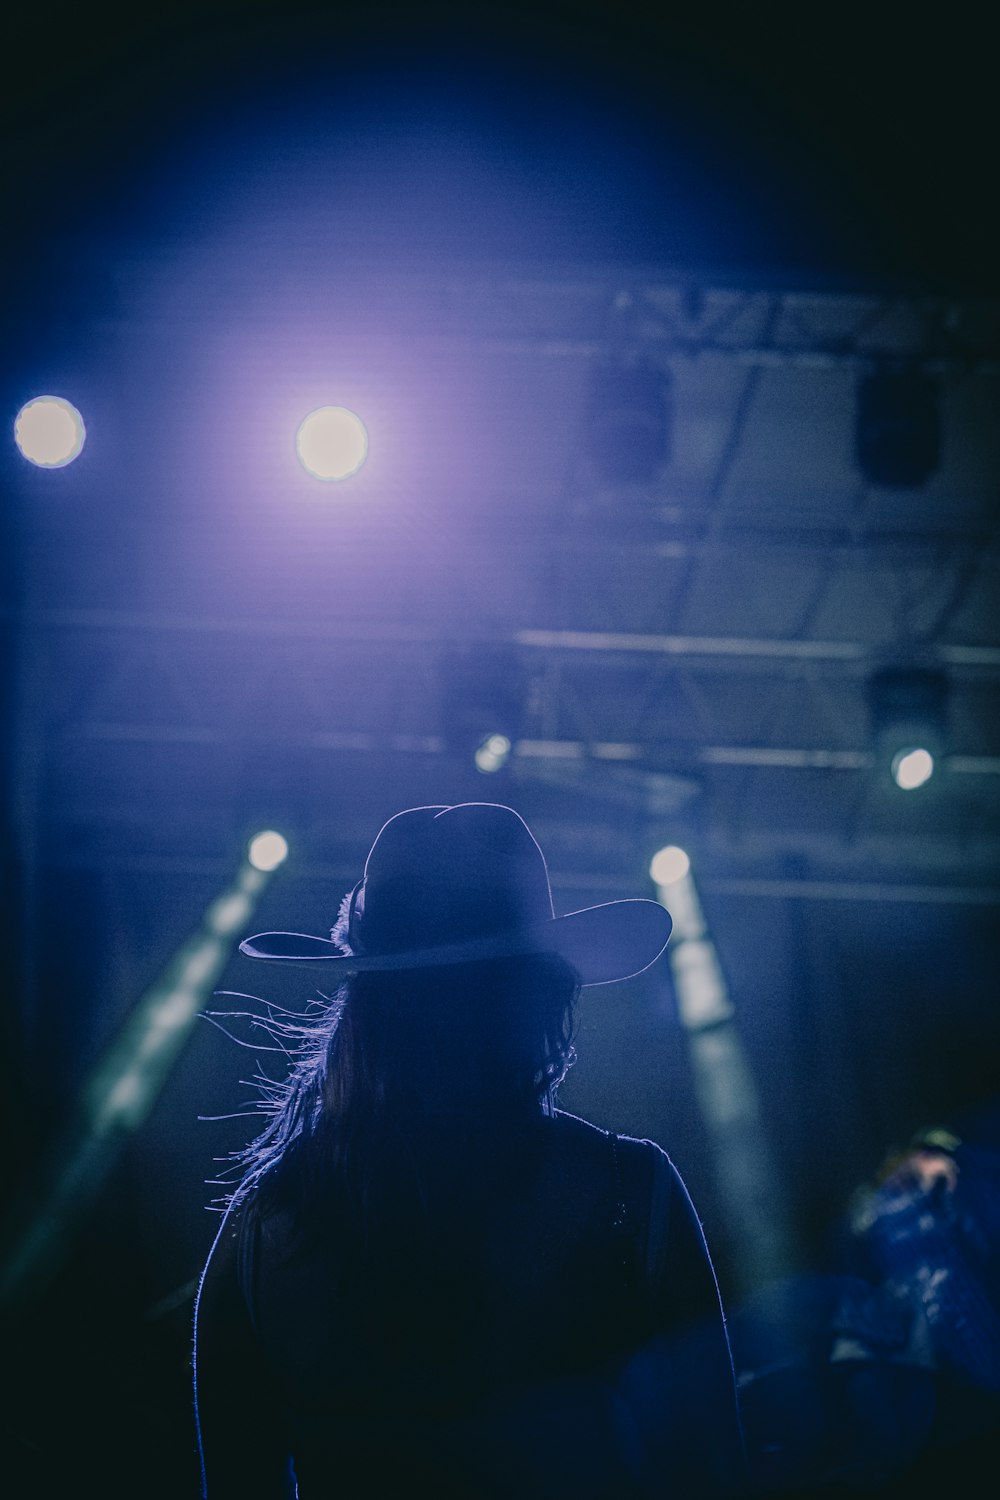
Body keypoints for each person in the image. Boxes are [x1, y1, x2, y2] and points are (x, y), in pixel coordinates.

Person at [194, 802, 746, 1498]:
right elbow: (712, 1474)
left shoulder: (265, 1226)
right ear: (542, 994)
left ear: (368, 1000)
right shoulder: (631, 1197)